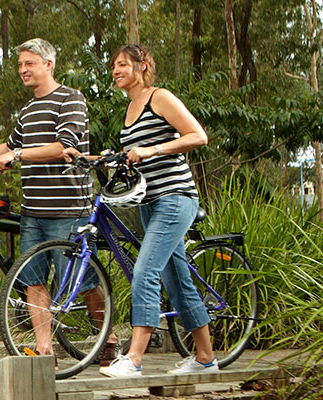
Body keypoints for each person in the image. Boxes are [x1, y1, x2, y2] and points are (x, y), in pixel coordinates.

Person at [0, 38, 113, 362]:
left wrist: (17, 155)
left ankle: (108, 338)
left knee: (84, 283)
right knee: (34, 281)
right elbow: (6, 147)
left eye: (29, 64)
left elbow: (63, 147)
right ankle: (44, 349)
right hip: (33, 212)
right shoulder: (28, 111)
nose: (23, 70)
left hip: (69, 210)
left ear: (48, 65)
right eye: (20, 65)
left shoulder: (71, 99)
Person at [94, 44, 219, 378]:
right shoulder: (130, 108)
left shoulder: (158, 97)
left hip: (176, 197)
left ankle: (134, 359)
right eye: (113, 66)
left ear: (142, 66)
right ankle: (206, 357)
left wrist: (153, 149)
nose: (116, 71)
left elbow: (197, 136)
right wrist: (106, 156)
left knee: (145, 271)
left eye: (122, 64)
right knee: (176, 281)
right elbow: (133, 152)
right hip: (150, 203)